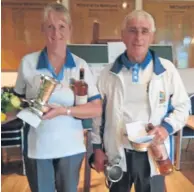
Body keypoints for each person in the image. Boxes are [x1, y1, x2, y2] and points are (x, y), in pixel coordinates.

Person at [91, 10, 190, 192]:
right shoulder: (107, 74)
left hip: (153, 154)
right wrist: (97, 148)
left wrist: (166, 128)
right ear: (122, 35)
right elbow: (98, 115)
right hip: (118, 153)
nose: (138, 37)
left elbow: (183, 106)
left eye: (144, 31)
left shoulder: (166, 70)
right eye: (132, 30)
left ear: (152, 36)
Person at [14, 2, 102, 192]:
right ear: (42, 29)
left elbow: (96, 107)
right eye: (50, 27)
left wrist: (64, 111)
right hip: (38, 147)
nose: (56, 33)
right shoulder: (27, 63)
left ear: (69, 29)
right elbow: (16, 102)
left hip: (71, 148)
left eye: (62, 27)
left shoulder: (80, 66)